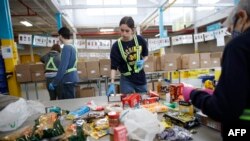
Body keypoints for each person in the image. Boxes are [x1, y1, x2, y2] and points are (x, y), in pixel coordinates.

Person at [182, 0, 250, 140]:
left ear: (242, 16)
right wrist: (221, 93)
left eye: (231, 29)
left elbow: (223, 110)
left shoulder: (239, 46)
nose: (232, 34)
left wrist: (194, 95)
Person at [106, 16, 149, 96]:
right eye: (122, 30)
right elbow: (113, 67)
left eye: (127, 31)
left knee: (143, 100)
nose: (124, 34)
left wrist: (143, 61)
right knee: (127, 102)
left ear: (133, 30)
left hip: (140, 77)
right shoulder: (116, 46)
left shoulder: (140, 40)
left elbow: (146, 55)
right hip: (126, 80)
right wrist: (112, 83)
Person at [49, 27, 79, 99]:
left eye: (58, 36)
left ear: (61, 36)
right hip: (72, 77)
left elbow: (63, 67)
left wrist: (54, 82)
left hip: (68, 79)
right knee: (71, 103)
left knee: (68, 105)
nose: (58, 38)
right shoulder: (73, 47)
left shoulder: (66, 48)